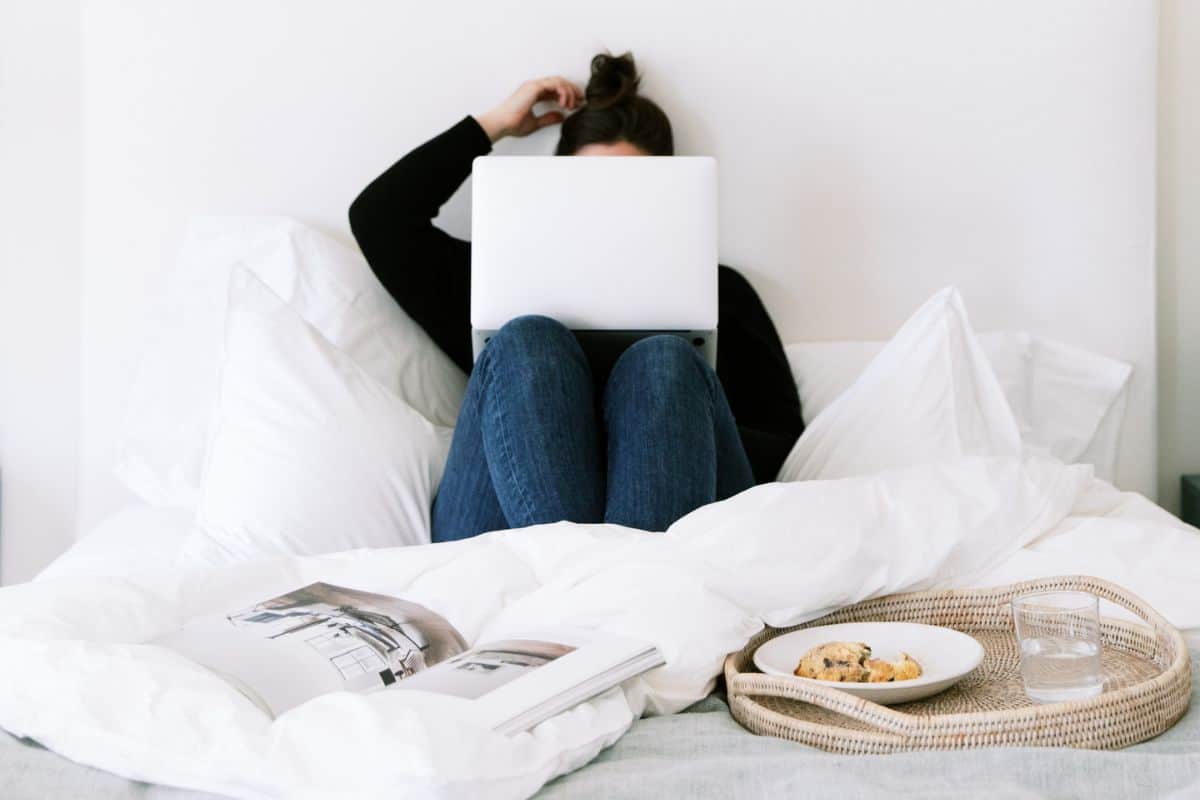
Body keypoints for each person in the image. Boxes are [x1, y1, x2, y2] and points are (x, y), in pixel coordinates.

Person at [349, 52, 803, 542]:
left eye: (630, 192)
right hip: (506, 524)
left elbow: (780, 448)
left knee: (663, 362)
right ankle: (602, 589)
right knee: (528, 337)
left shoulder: (720, 294)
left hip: (672, 507)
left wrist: (647, 433)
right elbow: (380, 220)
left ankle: (594, 593)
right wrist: (495, 125)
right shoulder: (501, 278)